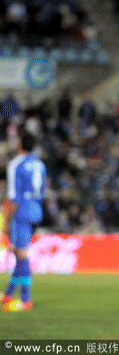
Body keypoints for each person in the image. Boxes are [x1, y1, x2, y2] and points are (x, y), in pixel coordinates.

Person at [2, 132, 47, 312]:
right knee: (19, 253)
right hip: (36, 209)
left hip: (21, 211)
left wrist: (6, 221)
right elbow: (42, 189)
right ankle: (7, 295)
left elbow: (13, 196)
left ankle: (25, 299)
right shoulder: (40, 164)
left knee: (21, 255)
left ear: (20, 144)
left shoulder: (15, 164)